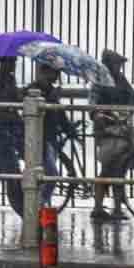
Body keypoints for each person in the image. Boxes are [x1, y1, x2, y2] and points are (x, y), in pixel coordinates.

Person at [88, 50, 134, 222]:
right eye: (116, 63)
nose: (119, 66)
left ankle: (117, 207)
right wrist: (99, 114)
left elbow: (132, 97)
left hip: (122, 127)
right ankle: (98, 207)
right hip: (107, 130)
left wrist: (126, 111)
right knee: (107, 168)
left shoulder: (121, 80)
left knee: (120, 168)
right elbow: (92, 105)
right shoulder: (98, 82)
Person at [32, 63, 77, 205]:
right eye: (55, 72)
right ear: (45, 72)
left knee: (47, 176)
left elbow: (59, 113)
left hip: (50, 138)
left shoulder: (51, 90)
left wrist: (68, 127)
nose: (58, 76)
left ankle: (43, 207)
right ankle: (39, 205)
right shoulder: (34, 89)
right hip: (40, 139)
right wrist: (52, 97)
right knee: (51, 176)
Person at [0, 58, 23, 217]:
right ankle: (24, 213)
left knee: (14, 172)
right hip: (2, 131)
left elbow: (16, 100)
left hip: (12, 128)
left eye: (14, 62)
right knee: (12, 172)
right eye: (11, 61)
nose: (13, 65)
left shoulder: (10, 79)